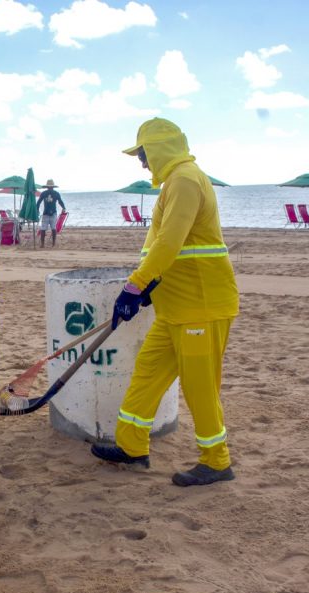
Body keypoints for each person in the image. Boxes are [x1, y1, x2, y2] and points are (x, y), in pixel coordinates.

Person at [91, 118, 239, 487]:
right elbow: (168, 248)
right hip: (174, 308)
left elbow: (170, 242)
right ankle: (132, 446)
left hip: (200, 307)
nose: (142, 163)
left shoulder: (186, 180)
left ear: (159, 149)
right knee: (147, 371)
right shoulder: (176, 182)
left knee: (200, 388)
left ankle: (216, 461)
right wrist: (147, 289)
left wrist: (134, 286)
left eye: (143, 154)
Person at [36, 179, 66, 248]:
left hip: (48, 213)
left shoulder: (44, 193)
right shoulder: (55, 193)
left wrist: (37, 210)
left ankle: (45, 244)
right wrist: (63, 208)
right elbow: (60, 202)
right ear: (52, 186)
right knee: (49, 228)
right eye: (49, 187)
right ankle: (51, 244)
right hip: (49, 213)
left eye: (50, 187)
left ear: (48, 186)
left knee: (47, 228)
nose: (49, 188)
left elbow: (38, 202)